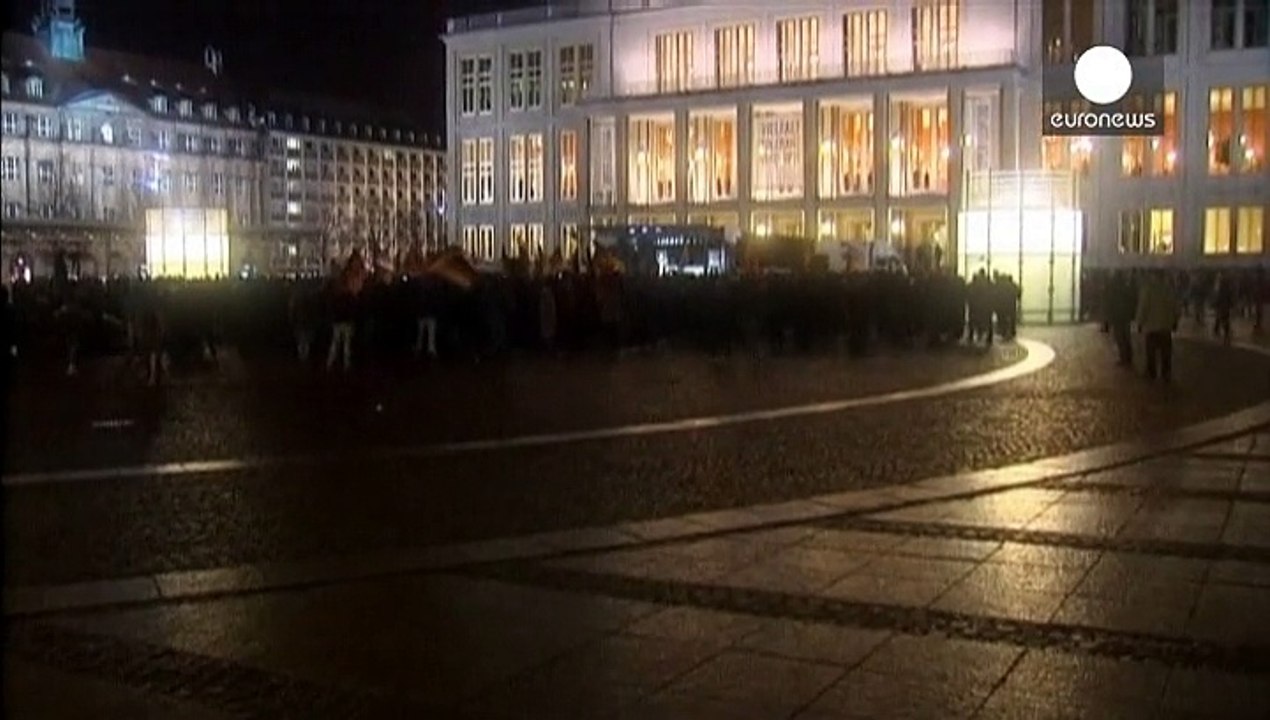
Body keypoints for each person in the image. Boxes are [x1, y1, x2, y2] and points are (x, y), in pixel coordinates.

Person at [1136, 271, 1180, 382]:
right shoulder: (1169, 289)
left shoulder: (1148, 289)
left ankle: (1152, 372)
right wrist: (1175, 321)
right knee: (1166, 351)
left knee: (1151, 351)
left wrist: (1140, 322)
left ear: (1153, 275)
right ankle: (1166, 373)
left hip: (1152, 326)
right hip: (1166, 326)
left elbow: (1143, 307)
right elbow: (1176, 307)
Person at [1106, 271, 1136, 368]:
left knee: (1120, 337)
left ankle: (1124, 357)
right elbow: (1131, 301)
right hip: (1125, 316)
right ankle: (1129, 357)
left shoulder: (1113, 290)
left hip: (1117, 316)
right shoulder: (1126, 288)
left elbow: (1110, 303)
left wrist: (1109, 317)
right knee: (1126, 337)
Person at [1212, 272, 1234, 346]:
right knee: (1224, 319)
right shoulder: (1228, 288)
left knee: (1222, 318)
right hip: (1225, 306)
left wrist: (1215, 303)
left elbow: (1217, 297)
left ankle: (1222, 332)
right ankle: (1224, 332)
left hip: (1222, 306)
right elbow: (1230, 298)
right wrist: (1231, 304)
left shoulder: (1220, 288)